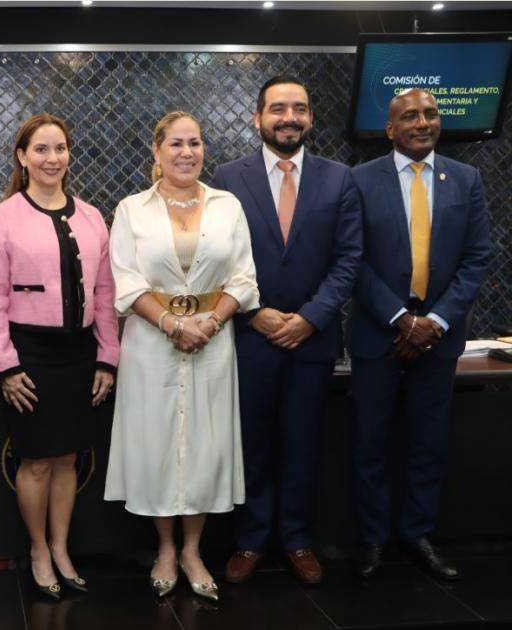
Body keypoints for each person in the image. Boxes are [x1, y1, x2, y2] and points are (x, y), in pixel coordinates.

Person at [211, 75, 362, 585]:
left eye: (299, 108)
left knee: (303, 443)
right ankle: (251, 540)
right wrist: (253, 312)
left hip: (312, 340)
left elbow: (348, 259)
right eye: (278, 108)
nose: (289, 117)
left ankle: (297, 539)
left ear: (311, 118)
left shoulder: (340, 179)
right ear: (257, 118)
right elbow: (218, 256)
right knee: (252, 444)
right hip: (249, 335)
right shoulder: (228, 178)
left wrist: (310, 318)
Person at [104, 111, 259, 601]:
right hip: (152, 343)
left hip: (213, 341)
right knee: (157, 445)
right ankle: (166, 549)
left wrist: (209, 324)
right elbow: (126, 281)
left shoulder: (228, 206)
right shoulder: (132, 209)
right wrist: (172, 324)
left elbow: (244, 279)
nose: (187, 152)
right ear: (157, 150)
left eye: (194, 142)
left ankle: (193, 550)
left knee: (205, 445)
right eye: (176, 143)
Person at [350, 88, 491, 580]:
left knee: (428, 445)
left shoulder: (466, 179)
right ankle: (372, 539)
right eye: (409, 116)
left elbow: (476, 258)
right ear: (390, 129)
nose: (422, 122)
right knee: (371, 444)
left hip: (440, 338)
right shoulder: (359, 180)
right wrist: (401, 319)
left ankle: (417, 534)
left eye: (430, 114)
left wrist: (436, 321)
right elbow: (353, 259)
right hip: (378, 336)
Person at [0, 113, 119, 600]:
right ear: (22, 156)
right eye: (40, 149)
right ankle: (38, 550)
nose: (52, 158)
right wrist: (5, 365)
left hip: (80, 355)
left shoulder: (92, 217)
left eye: (59, 148)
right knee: (37, 462)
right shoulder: (2, 219)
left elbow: (105, 294)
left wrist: (107, 358)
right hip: (29, 356)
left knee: (68, 459)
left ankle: (61, 548)